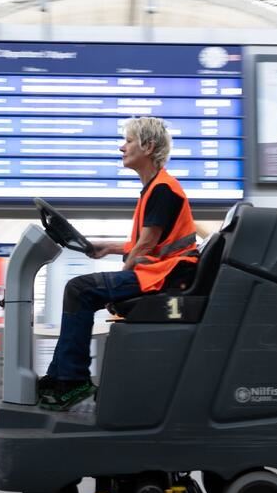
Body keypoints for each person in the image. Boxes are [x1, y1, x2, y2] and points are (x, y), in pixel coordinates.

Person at [37, 117, 199, 411]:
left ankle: (71, 381)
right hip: (159, 272)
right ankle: (58, 377)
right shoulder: (155, 188)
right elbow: (147, 243)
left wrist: (119, 285)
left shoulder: (163, 189)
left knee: (80, 289)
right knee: (81, 289)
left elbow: (147, 245)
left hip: (166, 276)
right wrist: (107, 247)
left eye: (128, 141)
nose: (121, 147)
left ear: (148, 146)